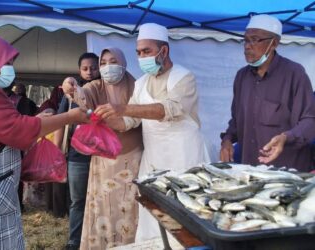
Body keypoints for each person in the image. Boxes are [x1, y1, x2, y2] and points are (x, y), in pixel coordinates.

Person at [0, 35, 87, 249]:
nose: (10, 69)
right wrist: (71, 117)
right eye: (6, 62)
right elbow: (17, 131)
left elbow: (1, 124)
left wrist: (35, 120)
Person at [94, 23, 211, 241]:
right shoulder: (141, 84)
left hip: (184, 158)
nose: (141, 57)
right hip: (154, 158)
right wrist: (103, 121)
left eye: (146, 51)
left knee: (186, 212)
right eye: (138, 52)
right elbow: (128, 121)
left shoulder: (184, 77)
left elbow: (170, 109)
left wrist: (122, 108)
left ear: (163, 51)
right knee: (154, 215)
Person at [62, 47, 143, 249]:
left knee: (128, 207)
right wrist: (71, 86)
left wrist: (119, 121)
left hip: (132, 157)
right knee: (104, 207)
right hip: (104, 160)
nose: (108, 67)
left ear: (123, 63)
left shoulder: (138, 86)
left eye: (113, 61)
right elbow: (82, 95)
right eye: (104, 63)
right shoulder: (96, 86)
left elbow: (139, 115)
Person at [220, 14, 315, 172]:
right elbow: (236, 121)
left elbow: (310, 120)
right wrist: (227, 140)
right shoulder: (241, 77)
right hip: (250, 170)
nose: (247, 46)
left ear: (274, 43)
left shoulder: (294, 74)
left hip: (286, 172)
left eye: (255, 39)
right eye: (246, 40)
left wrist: (286, 138)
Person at [54, 52, 100, 250]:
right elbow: (60, 122)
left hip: (103, 155)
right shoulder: (71, 94)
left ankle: (98, 240)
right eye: (85, 68)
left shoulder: (107, 91)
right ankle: (74, 242)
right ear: (79, 70)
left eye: (93, 67)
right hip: (77, 156)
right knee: (78, 201)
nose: (90, 72)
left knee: (101, 199)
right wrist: (57, 152)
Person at [3, 82, 38, 212]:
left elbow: (27, 121)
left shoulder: (22, 101)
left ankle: (18, 205)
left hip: (15, 146)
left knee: (15, 177)